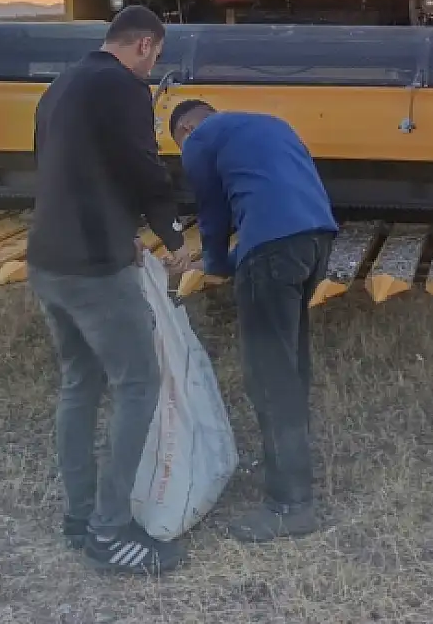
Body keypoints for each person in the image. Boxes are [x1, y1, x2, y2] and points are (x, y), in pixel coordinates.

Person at [27, 5, 196, 575]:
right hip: (95, 267)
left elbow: (61, 169)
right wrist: (171, 232)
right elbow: (139, 163)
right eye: (157, 55)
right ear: (146, 44)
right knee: (138, 383)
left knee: (80, 381)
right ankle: (111, 531)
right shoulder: (123, 86)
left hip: (48, 260)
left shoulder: (60, 88)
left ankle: (78, 518)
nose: (154, 66)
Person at [167, 100, 339, 542]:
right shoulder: (271, 124)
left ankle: (290, 504)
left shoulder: (201, 138)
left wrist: (217, 264)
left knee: (268, 375)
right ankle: (292, 471)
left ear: (187, 127)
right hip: (316, 241)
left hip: (271, 247)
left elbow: (212, 211)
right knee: (290, 366)